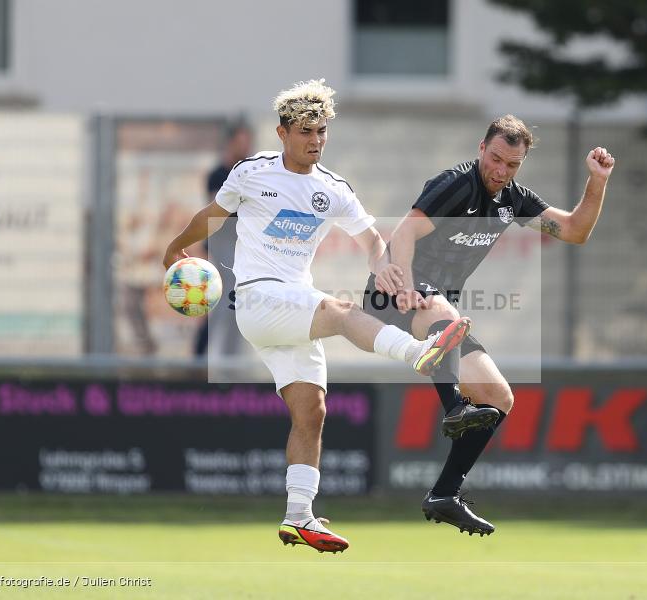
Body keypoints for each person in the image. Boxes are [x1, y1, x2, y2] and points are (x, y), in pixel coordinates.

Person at [163, 79, 474, 554]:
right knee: (341, 311)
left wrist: (385, 267)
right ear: (283, 133)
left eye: (322, 131)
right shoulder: (252, 172)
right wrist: (174, 248)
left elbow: (372, 240)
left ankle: (299, 517)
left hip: (291, 308)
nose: (316, 140)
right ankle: (419, 354)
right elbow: (212, 215)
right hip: (258, 299)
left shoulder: (332, 188)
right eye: (306, 131)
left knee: (311, 411)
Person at [363, 115, 616, 535]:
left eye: (512, 164)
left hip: (438, 314)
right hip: (392, 292)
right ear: (482, 148)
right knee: (447, 318)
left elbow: (574, 231)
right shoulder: (456, 184)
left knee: (499, 397)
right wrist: (406, 288)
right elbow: (404, 234)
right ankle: (454, 408)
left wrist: (598, 181)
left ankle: (445, 494)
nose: (500, 170)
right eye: (495, 158)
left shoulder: (513, 201)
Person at [195, 122, 254, 357]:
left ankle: (230, 360)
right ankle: (200, 356)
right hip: (223, 247)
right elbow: (220, 211)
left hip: (242, 248)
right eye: (240, 143)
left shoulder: (250, 176)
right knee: (224, 303)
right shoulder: (218, 175)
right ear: (230, 143)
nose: (245, 148)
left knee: (236, 304)